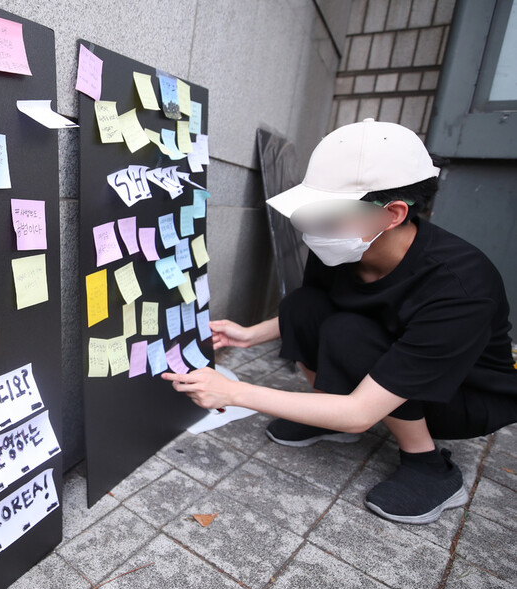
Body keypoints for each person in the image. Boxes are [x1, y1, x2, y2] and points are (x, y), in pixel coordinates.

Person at [162, 119, 517, 525]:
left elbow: (362, 410)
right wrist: (248, 335)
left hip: (461, 395)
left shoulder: (461, 284)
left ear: (392, 214)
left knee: (349, 335)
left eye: (328, 214)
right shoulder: (343, 242)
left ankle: (428, 464)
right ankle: (327, 416)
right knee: (302, 305)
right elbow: (314, 309)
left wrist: (233, 393)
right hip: (390, 358)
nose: (314, 227)